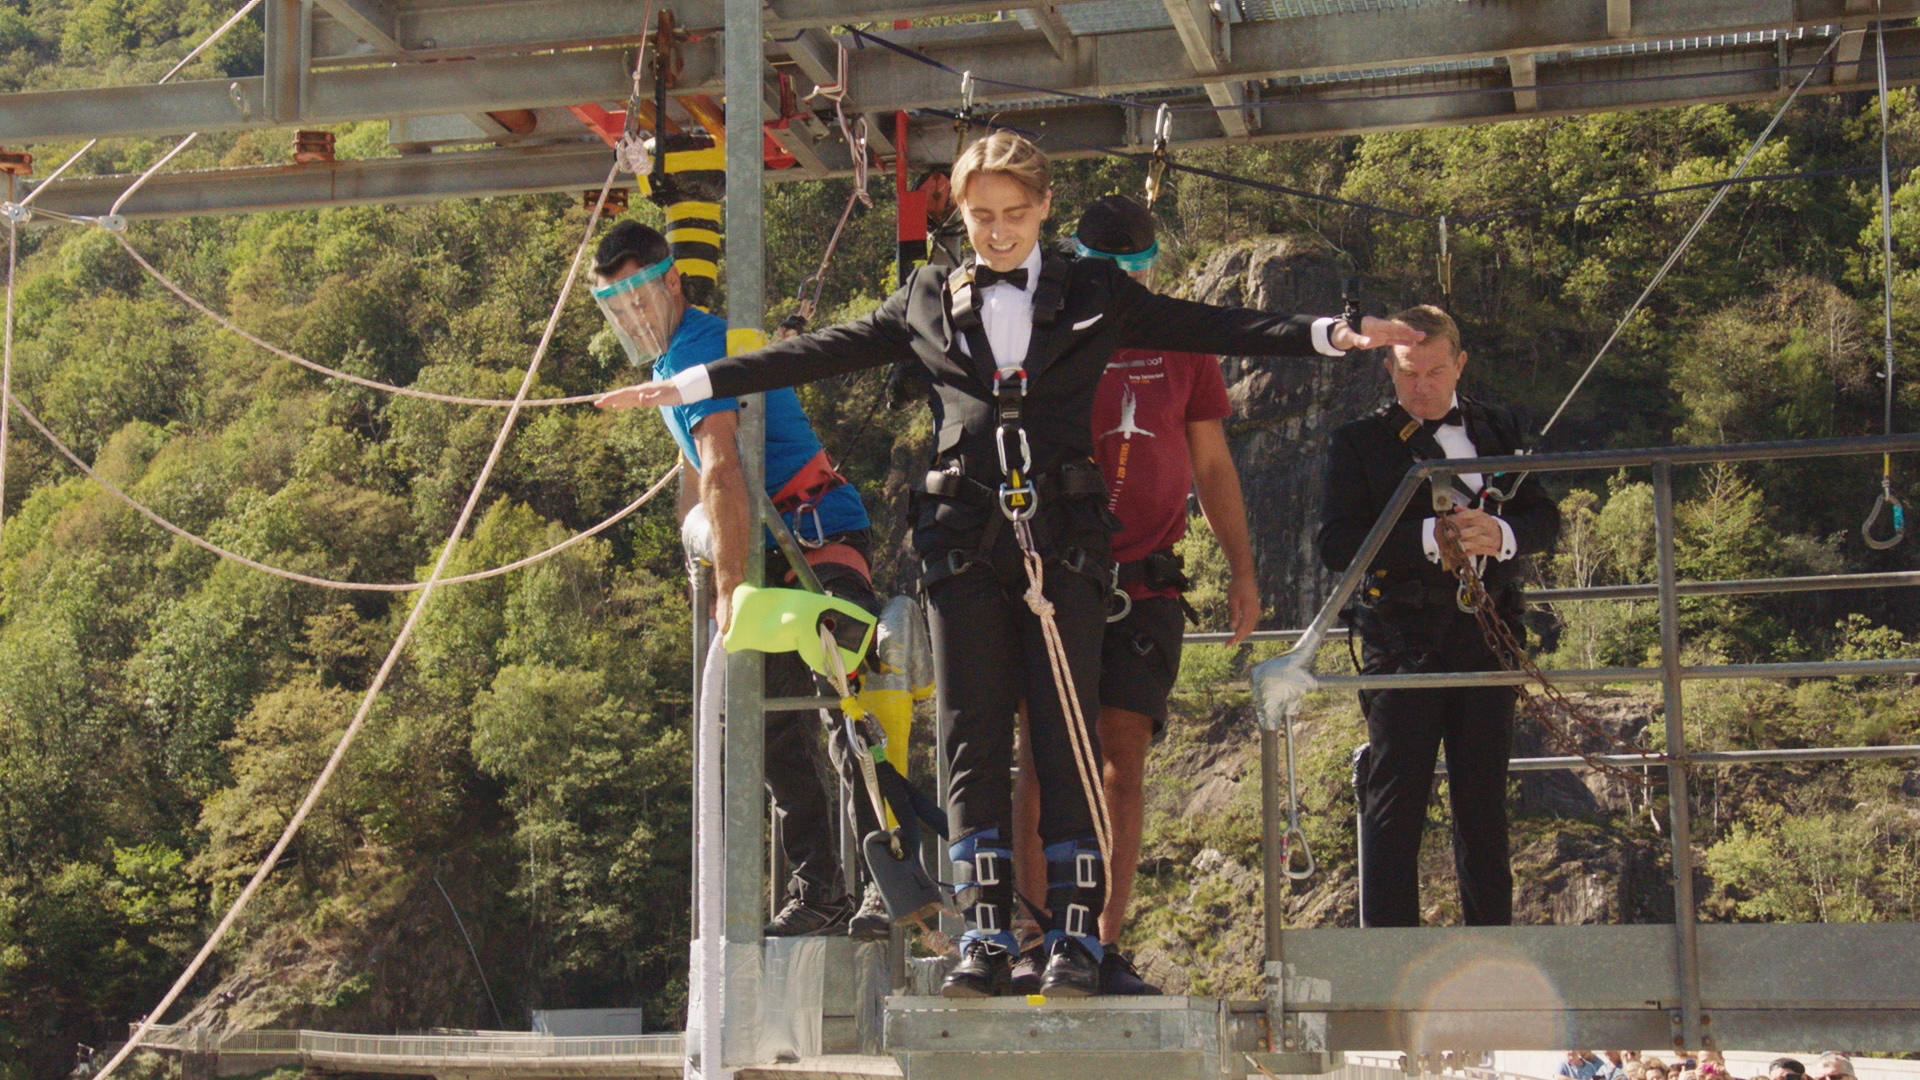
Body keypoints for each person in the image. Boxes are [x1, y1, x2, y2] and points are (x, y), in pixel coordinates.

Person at [599, 130, 1420, 996]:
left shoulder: (1094, 292)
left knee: (1066, 736)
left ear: (1044, 209)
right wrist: (690, 385)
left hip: (1064, 540)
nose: (998, 232)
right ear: (960, 213)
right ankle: (986, 933)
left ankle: (1076, 934)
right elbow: (819, 351)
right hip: (964, 543)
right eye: (982, 216)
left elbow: (1216, 324)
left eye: (1016, 215)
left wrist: (1336, 333)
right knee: (973, 736)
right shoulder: (927, 297)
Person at [590, 220, 887, 939]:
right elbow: (694, 474)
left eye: (639, 296)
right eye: (617, 306)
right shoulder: (669, 366)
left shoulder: (701, 346)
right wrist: (701, 560)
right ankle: (819, 886)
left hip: (814, 531)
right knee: (763, 718)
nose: (633, 315)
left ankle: (886, 875)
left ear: (672, 283)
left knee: (843, 694)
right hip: (761, 546)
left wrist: (727, 588)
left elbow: (723, 466)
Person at [1007, 194, 1260, 996]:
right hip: (1055, 572)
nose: (1119, 285)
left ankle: (1101, 943)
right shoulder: (1042, 330)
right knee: (1044, 757)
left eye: (1134, 272)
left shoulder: (1180, 340)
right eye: (1105, 270)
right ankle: (1033, 935)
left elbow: (1211, 464)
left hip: (1145, 575)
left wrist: (1243, 570)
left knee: (1123, 760)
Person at [1316, 304, 1559, 928]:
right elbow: (1336, 544)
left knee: (1484, 807)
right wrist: (1431, 538)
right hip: (1400, 638)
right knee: (1394, 803)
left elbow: (1544, 518)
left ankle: (1491, 948)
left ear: (1460, 364)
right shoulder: (1359, 442)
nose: (1420, 387)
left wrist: (1501, 534)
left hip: (1489, 635)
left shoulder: (1500, 428)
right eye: (1406, 373)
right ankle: (1392, 952)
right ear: (1388, 369)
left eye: (1434, 372)